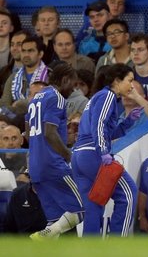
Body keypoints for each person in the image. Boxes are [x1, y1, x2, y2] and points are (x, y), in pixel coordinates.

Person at [72, 64, 137, 237]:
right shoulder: (108, 95)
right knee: (128, 193)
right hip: (94, 155)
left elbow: (104, 131)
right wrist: (103, 151)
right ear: (117, 81)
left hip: (79, 157)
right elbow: (99, 125)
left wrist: (127, 122)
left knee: (94, 206)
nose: (132, 85)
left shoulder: (97, 97)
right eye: (129, 80)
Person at [26, 63, 84, 239]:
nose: (73, 90)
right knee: (84, 206)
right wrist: (69, 156)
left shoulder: (35, 98)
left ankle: (46, 238)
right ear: (65, 80)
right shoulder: (57, 98)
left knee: (55, 221)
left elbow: (28, 133)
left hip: (35, 168)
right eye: (73, 85)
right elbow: (50, 132)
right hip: (53, 165)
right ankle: (44, 235)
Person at [0, 36, 48, 108]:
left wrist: (19, 104)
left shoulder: (49, 76)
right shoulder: (13, 77)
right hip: (14, 118)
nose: (26, 55)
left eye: (30, 51)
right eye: (23, 51)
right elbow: (4, 105)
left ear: (40, 54)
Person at [0, 31, 27, 95]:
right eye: (12, 45)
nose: (14, 48)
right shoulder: (3, 72)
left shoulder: (37, 72)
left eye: (19, 44)